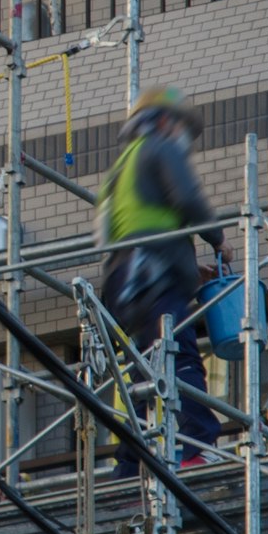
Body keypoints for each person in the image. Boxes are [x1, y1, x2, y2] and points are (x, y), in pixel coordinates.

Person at [96, 87, 221, 460]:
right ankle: (198, 443)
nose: (184, 137)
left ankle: (130, 467)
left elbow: (131, 228)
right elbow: (186, 199)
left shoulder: (120, 168)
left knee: (140, 374)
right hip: (153, 274)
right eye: (182, 126)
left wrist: (184, 265)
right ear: (165, 120)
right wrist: (218, 239)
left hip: (124, 280)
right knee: (177, 355)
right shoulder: (161, 146)